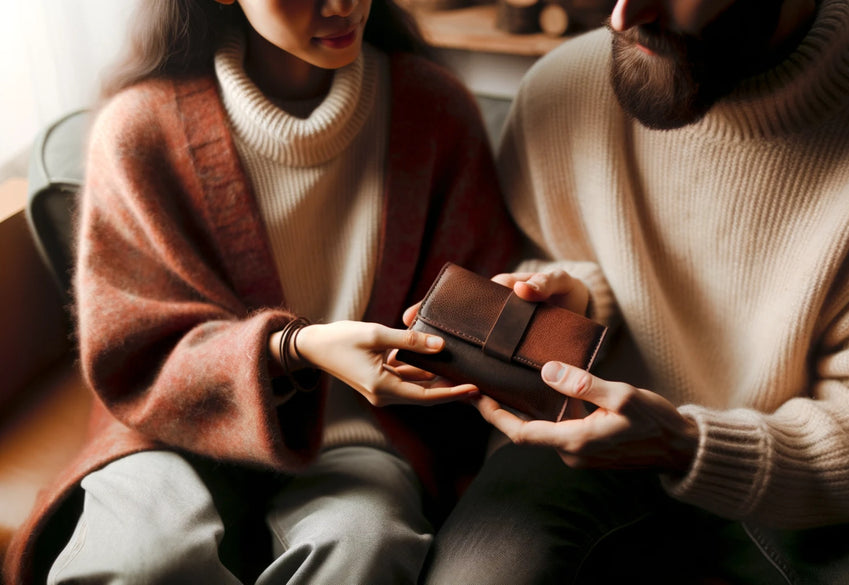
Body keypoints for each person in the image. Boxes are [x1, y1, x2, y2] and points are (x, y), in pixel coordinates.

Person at [420, 0, 849, 582]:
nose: (623, 19)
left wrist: (688, 446)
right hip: (571, 447)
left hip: (794, 468)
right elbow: (551, 250)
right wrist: (579, 301)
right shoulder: (560, 88)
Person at [2, 0, 519, 583]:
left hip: (360, 437)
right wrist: (294, 347)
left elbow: (477, 301)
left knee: (366, 544)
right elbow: (130, 349)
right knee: (142, 559)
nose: (343, 4)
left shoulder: (433, 111)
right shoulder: (138, 130)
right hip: (169, 432)